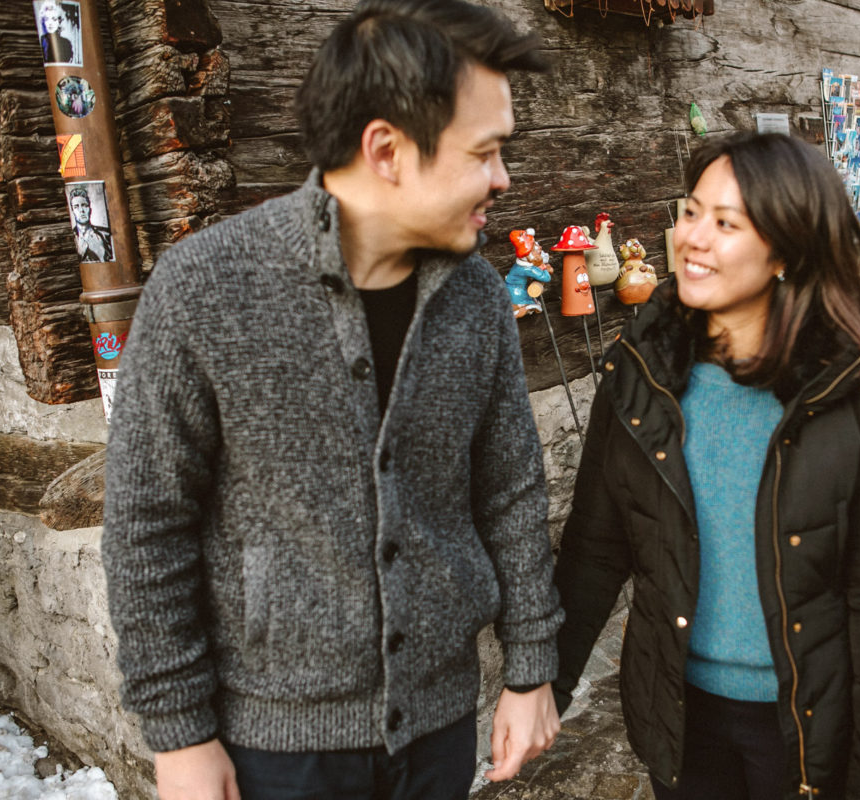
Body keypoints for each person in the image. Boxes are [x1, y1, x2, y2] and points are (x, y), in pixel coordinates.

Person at [101, 2, 563, 798]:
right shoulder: (207, 288)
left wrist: (530, 669)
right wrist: (180, 733)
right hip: (276, 747)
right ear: (385, 148)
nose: (503, 178)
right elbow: (147, 522)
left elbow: (511, 489)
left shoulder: (479, 300)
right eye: (485, 152)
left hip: (439, 728)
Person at [552, 132, 860, 800]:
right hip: (682, 715)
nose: (692, 237)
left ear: (784, 249)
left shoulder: (851, 396)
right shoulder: (640, 375)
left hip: (803, 726)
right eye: (692, 211)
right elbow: (594, 549)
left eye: (726, 223)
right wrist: (540, 687)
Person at [68, 187, 114, 262]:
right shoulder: (71, 237)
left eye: (84, 205)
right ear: (72, 211)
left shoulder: (105, 235)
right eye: (76, 207)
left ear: (90, 209)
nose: (81, 210)